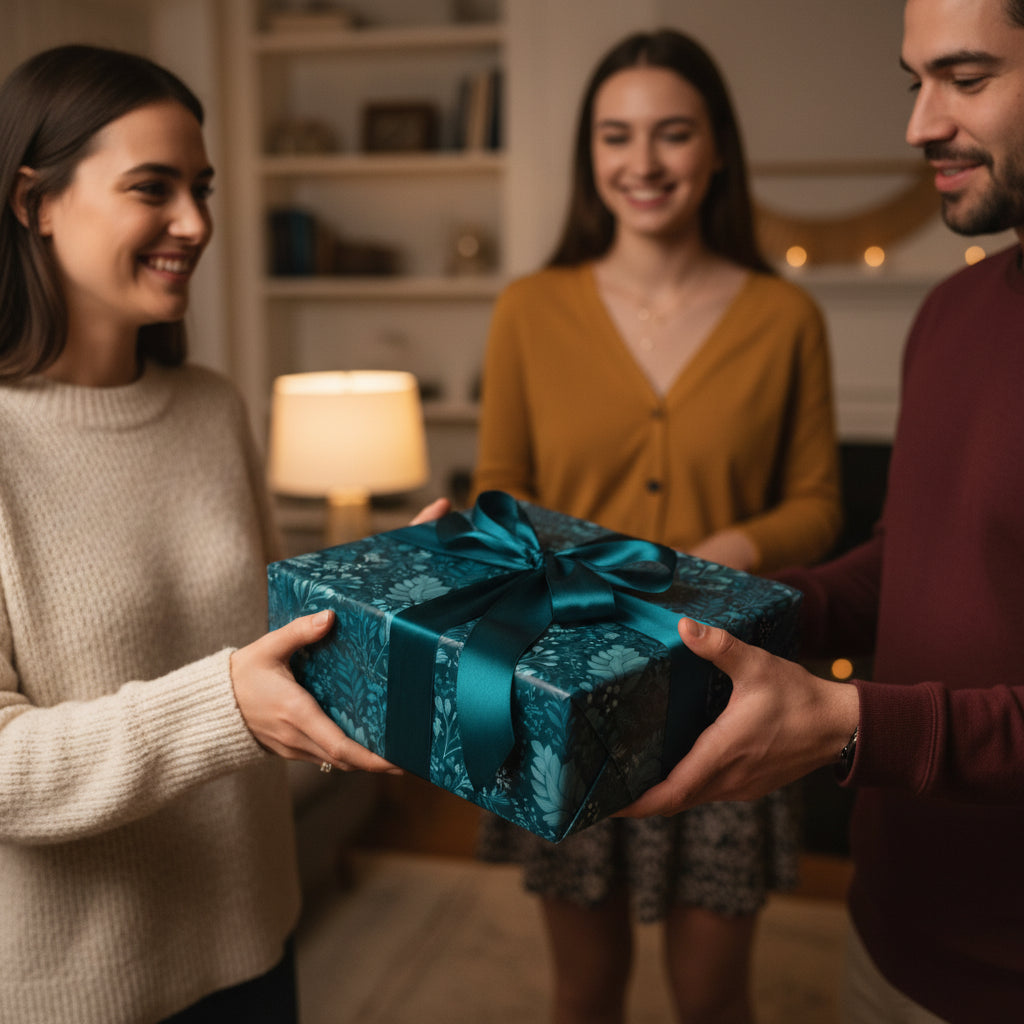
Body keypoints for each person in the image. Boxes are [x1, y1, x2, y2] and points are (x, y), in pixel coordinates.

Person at [0, 44, 442, 1024]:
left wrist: (393, 589)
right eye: (152, 189)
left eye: (200, 188)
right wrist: (225, 707)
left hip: (252, 941)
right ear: (35, 200)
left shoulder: (211, 408)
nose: (196, 224)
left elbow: (262, 634)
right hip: (76, 991)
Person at [620, 1, 1024, 1021]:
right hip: (887, 928)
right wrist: (710, 602)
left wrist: (847, 724)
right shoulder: (951, 313)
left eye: (966, 80)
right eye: (913, 81)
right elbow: (903, 563)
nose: (918, 125)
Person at [472, 29, 842, 1024]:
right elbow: (499, 487)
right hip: (565, 687)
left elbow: (818, 500)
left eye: (672, 134)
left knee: (714, 996)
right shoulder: (528, 309)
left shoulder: (783, 315)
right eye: (615, 136)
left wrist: (713, 555)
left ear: (716, 147)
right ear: (589, 155)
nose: (642, 163)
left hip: (728, 691)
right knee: (584, 990)